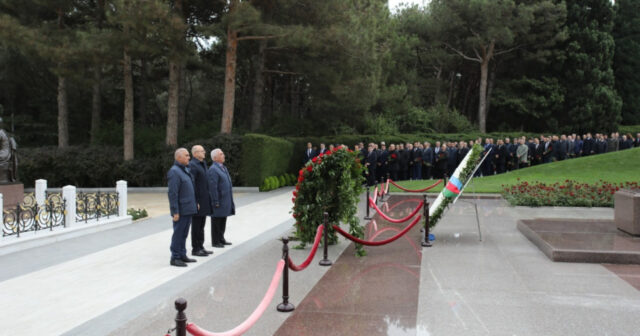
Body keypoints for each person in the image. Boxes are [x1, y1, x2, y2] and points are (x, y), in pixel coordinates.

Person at [167, 148, 198, 267]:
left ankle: (182, 254)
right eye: (186, 155)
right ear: (178, 157)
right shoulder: (174, 172)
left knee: (184, 233)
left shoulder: (185, 170)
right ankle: (175, 257)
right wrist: (175, 211)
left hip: (188, 208)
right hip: (181, 209)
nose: (189, 157)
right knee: (178, 233)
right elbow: (173, 193)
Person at [188, 145, 213, 257]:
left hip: (204, 199)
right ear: (195, 153)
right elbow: (192, 185)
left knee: (202, 225)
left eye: (204, 150)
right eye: (202, 151)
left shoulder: (203, 164)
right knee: (196, 225)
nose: (204, 152)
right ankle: (196, 248)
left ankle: (201, 246)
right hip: (198, 201)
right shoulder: (193, 165)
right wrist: (196, 201)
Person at [208, 148, 235, 248]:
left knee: (223, 219)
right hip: (218, 200)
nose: (224, 155)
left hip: (225, 199)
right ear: (215, 158)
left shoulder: (223, 167)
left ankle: (221, 238)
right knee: (216, 221)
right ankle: (215, 241)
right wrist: (215, 201)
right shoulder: (213, 170)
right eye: (221, 154)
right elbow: (213, 187)